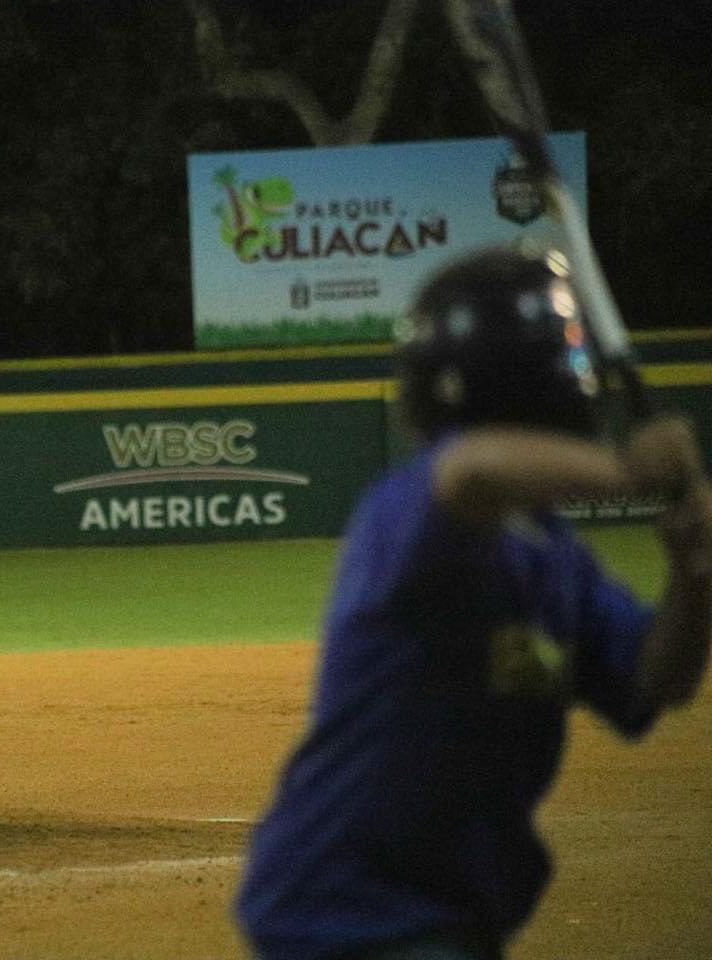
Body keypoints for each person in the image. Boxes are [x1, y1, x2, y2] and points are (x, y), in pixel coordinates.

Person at [234, 247, 712, 960]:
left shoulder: (555, 560)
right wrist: (624, 472)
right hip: (346, 910)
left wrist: (693, 575)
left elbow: (654, 679)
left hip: (451, 916)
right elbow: (472, 470)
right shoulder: (412, 509)